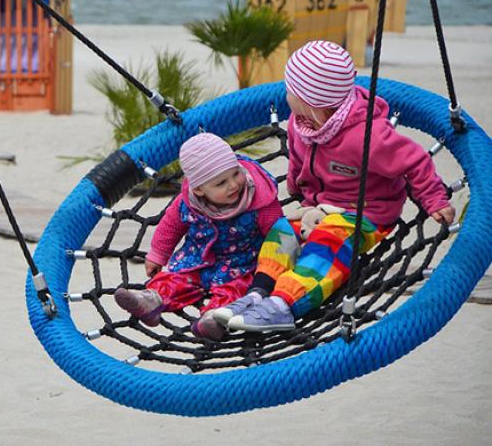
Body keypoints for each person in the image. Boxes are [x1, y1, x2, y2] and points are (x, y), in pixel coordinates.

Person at [225, 40, 455, 333]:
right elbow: (297, 158)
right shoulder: (302, 123)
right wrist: (298, 189)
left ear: (313, 101)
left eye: (290, 90)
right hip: (319, 206)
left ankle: (284, 304)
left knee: (326, 242)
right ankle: (258, 292)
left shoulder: (366, 136)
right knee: (281, 233)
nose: (286, 96)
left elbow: (414, 161)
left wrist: (434, 199)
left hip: (366, 215)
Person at [113, 132, 294, 340]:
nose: (234, 184)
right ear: (199, 190)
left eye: (236, 173)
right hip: (197, 259)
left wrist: (277, 268)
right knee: (175, 278)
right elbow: (170, 225)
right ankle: (151, 300)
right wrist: (158, 254)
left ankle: (214, 319)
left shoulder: (259, 201)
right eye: (221, 183)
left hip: (242, 264)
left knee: (235, 290)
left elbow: (278, 235)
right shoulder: (189, 202)